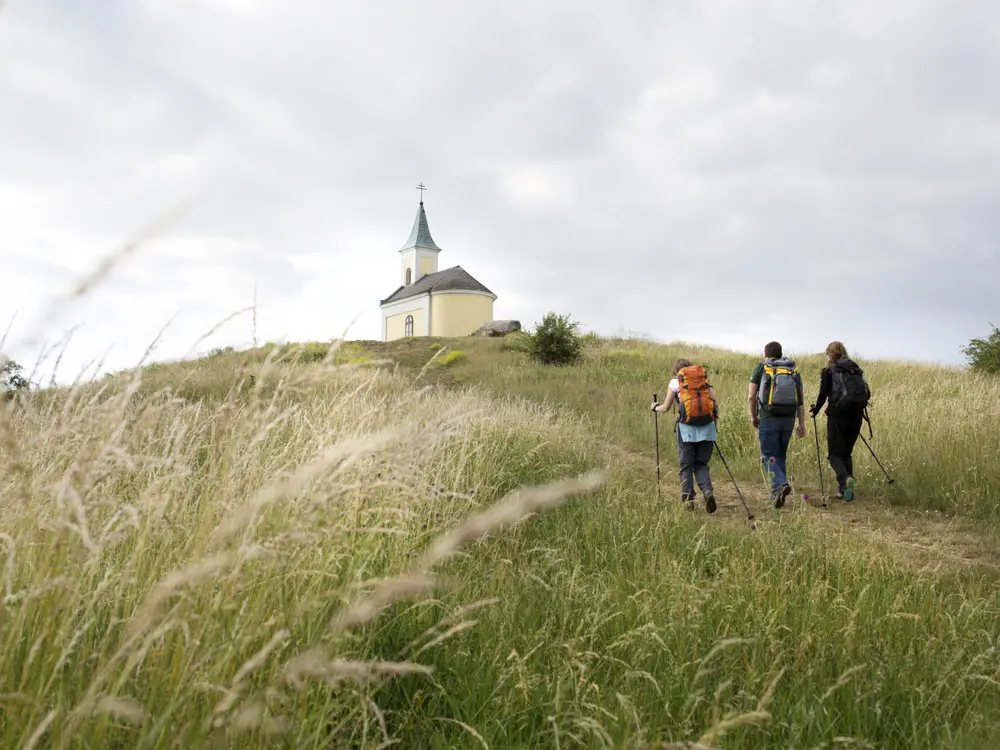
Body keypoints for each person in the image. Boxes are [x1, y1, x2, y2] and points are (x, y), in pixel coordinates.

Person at [651, 358, 718, 513]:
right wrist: (715, 428)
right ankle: (707, 492)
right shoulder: (704, 381)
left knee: (686, 465)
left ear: (677, 372)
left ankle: (688, 501)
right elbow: (715, 404)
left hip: (686, 429)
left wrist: (655, 408)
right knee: (701, 464)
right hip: (707, 428)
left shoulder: (675, 383)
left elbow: (666, 407)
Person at [747, 341, 806, 507]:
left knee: (767, 456)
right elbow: (800, 399)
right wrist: (801, 423)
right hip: (789, 418)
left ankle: (780, 484)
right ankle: (776, 496)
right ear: (780, 353)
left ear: (765, 354)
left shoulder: (761, 368)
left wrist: (753, 416)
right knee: (780, 456)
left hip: (768, 417)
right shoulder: (792, 369)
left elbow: (751, 396)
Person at [810, 341, 870, 502]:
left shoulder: (829, 371)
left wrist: (815, 410)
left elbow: (823, 395)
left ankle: (845, 480)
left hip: (837, 415)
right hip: (857, 415)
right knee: (846, 453)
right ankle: (844, 491)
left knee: (834, 455)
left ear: (830, 354)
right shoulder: (855, 369)